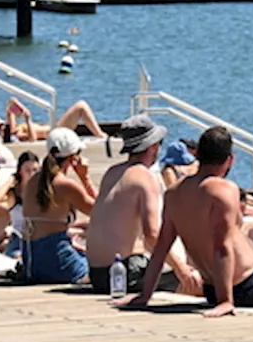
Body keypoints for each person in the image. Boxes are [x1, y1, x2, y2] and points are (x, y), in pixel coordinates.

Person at [122, 126, 253, 316]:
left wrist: (145, 295)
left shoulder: (174, 193)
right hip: (249, 284)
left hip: (211, 287)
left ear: (197, 156)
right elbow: (223, 247)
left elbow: (161, 248)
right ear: (230, 159)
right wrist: (226, 301)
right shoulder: (225, 190)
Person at [85, 115, 200, 295]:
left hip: (97, 274)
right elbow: (152, 235)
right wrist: (181, 269)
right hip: (125, 273)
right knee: (197, 280)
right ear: (153, 146)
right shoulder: (145, 177)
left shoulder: (111, 173)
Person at [21, 128, 96, 284]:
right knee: (103, 272)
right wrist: (85, 177)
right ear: (74, 157)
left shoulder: (33, 181)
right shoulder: (65, 185)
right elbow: (101, 211)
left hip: (31, 261)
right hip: (57, 259)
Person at [0, 96, 108, 143]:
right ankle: (100, 135)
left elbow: (11, 102)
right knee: (80, 106)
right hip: (54, 133)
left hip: (54, 128)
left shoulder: (13, 127)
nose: (3, 125)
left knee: (81, 106)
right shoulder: (15, 133)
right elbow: (32, 139)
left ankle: (100, 134)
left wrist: (21, 108)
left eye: (1, 123)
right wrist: (28, 119)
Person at [4, 151, 40, 258]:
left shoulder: (43, 191)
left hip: (39, 235)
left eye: (35, 170)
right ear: (20, 171)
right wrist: (11, 180)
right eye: (27, 170)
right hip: (19, 237)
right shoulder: (14, 193)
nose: (32, 174)